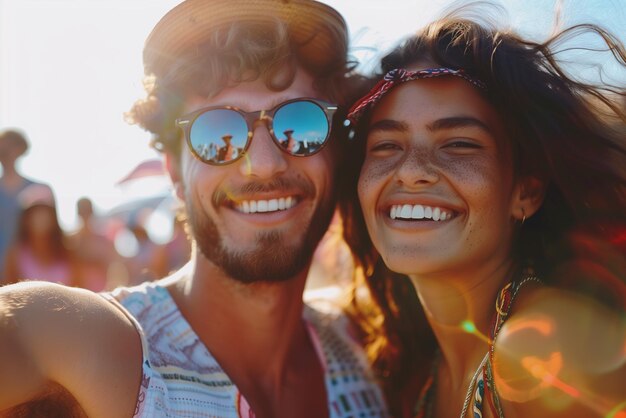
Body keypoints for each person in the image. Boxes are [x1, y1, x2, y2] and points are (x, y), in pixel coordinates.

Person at [0, 1, 388, 417]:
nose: (264, 164)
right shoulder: (91, 343)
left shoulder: (371, 348)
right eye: (216, 130)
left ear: (336, 154)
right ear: (176, 174)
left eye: (301, 123)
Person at [341, 7, 626, 418]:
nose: (411, 171)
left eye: (459, 144)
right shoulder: (415, 365)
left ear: (525, 192)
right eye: (386, 146)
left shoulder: (550, 357)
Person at [3, 183, 79, 286]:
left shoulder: (69, 251)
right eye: (35, 213)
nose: (40, 218)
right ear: (25, 219)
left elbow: (79, 287)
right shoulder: (15, 255)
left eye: (44, 212)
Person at [0, 129, 46, 281]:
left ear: (21, 150)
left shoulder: (39, 191)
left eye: (10, 147)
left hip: (31, 273)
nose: (6, 152)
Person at [67, 197, 123, 291]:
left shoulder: (103, 240)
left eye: (87, 211)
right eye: (82, 211)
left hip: (101, 291)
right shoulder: (70, 241)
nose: (85, 214)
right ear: (78, 213)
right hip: (78, 291)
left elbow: (113, 266)